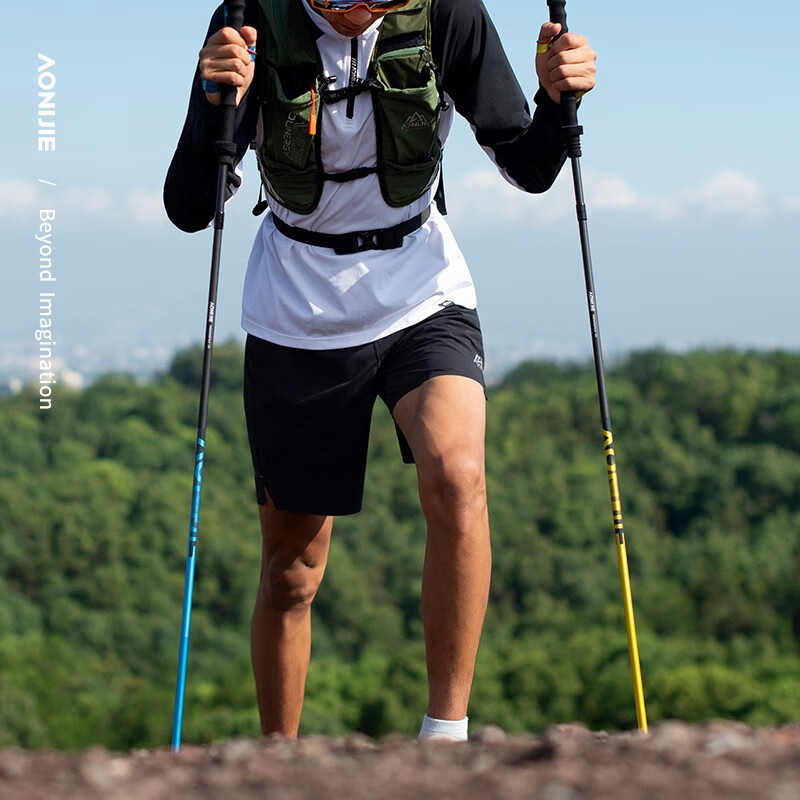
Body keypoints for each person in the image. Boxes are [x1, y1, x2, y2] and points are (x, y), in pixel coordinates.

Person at [164, 0, 596, 741]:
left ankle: (446, 738)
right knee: (292, 572)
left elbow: (529, 168)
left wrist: (558, 101)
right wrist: (213, 104)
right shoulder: (250, 16)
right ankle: (280, 765)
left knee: (457, 474)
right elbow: (190, 207)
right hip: (296, 309)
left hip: (420, 287)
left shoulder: (447, 12)